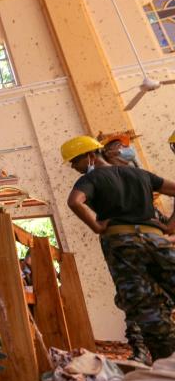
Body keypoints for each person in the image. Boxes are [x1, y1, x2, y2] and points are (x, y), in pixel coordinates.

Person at [62, 135, 175, 361]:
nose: (74, 167)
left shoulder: (92, 179)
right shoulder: (140, 174)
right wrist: (169, 228)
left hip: (123, 244)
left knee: (146, 308)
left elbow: (75, 201)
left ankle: (168, 364)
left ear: (91, 156)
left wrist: (96, 226)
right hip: (156, 241)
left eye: (75, 161)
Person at [97, 132, 151, 363]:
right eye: (117, 147)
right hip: (122, 243)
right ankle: (140, 348)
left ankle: (159, 347)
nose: (123, 151)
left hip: (149, 238)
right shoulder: (104, 178)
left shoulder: (139, 175)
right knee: (131, 294)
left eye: (124, 147)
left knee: (158, 293)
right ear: (106, 153)